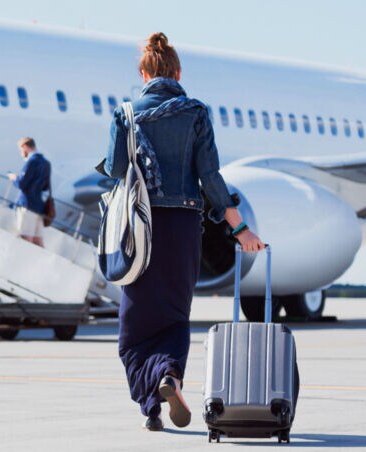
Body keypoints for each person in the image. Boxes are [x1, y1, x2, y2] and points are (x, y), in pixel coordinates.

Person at [101, 32, 265, 432]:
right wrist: (240, 229)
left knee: (133, 328)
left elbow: (116, 170)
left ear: (144, 73)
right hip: (183, 230)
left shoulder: (126, 113)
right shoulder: (196, 112)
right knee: (175, 318)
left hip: (141, 229)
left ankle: (150, 408)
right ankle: (169, 377)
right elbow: (210, 177)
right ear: (177, 72)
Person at [7, 137, 51, 247]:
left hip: (27, 204)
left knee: (24, 237)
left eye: (21, 150)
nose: (22, 153)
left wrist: (14, 178)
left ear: (25, 147)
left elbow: (22, 183)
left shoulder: (32, 162)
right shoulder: (46, 163)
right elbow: (45, 187)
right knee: (37, 241)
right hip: (39, 206)